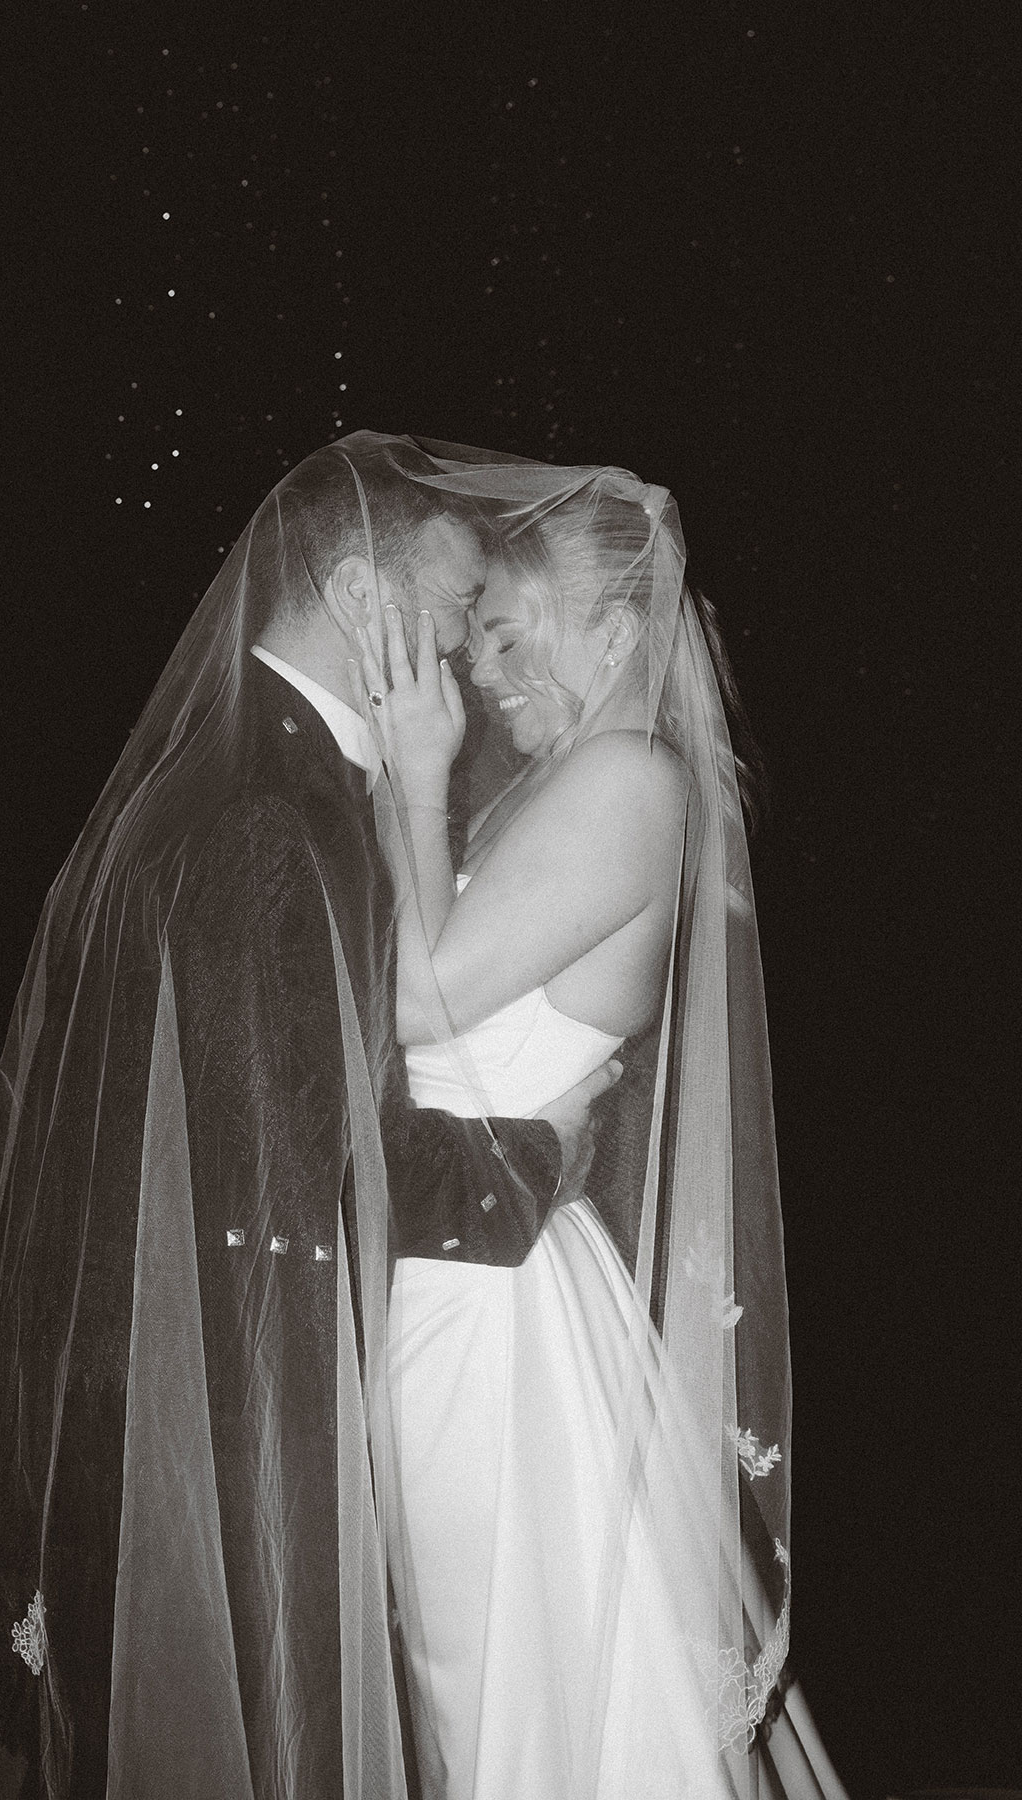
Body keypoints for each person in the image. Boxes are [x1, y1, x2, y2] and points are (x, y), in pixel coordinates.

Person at [0, 436, 619, 1799]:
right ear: (367, 596)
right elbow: (308, 1168)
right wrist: (549, 1152)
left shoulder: (216, 773)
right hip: (216, 1398)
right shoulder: (280, 810)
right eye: (448, 612)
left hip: (135, 1365)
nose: (462, 653)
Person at [355, 447, 849, 1798]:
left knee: (503, 1684)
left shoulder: (628, 775)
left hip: (487, 1310)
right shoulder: (573, 783)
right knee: (494, 1671)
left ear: (614, 631)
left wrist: (413, 766)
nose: (480, 671)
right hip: (484, 1279)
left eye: (512, 636)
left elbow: (418, 993)